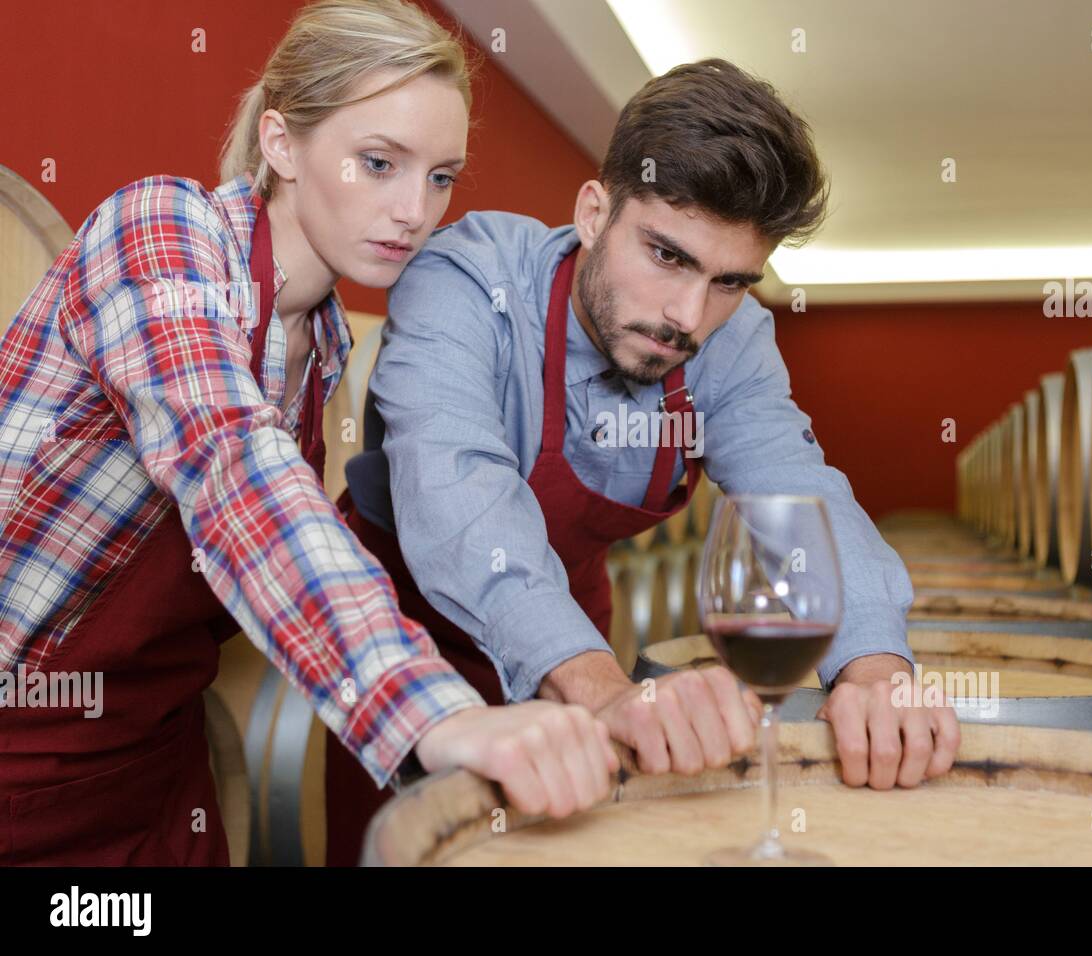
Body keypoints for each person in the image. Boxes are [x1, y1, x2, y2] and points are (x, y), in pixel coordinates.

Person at [0, 0, 616, 867]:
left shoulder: (323, 346)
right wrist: (436, 711)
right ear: (282, 145)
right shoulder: (161, 233)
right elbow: (233, 473)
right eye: (378, 163)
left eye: (441, 177)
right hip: (22, 760)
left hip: (158, 765)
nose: (414, 211)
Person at [332, 57, 961, 859]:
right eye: (667, 256)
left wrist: (874, 668)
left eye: (729, 280)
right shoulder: (468, 279)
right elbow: (459, 492)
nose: (688, 317)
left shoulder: (731, 338)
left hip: (579, 626)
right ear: (594, 212)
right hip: (402, 642)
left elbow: (797, 489)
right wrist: (595, 691)